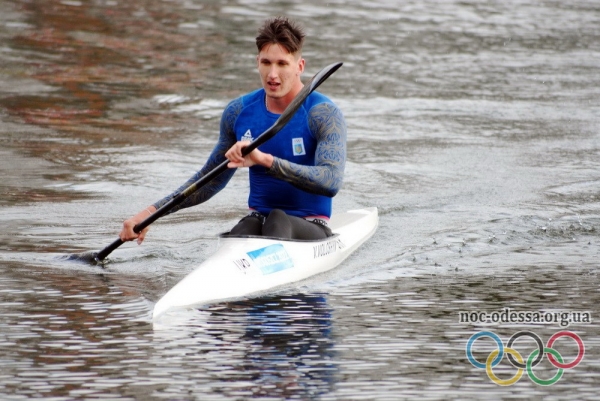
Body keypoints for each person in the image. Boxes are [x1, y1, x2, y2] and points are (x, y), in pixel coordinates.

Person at [119, 16, 347, 245]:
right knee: (245, 227)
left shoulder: (322, 114)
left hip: (311, 226)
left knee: (278, 218)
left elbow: (330, 181)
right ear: (257, 62)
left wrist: (264, 160)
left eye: (282, 64)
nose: (272, 74)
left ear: (300, 66)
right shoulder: (238, 112)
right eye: (266, 63)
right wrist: (149, 214)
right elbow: (210, 180)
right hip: (259, 221)